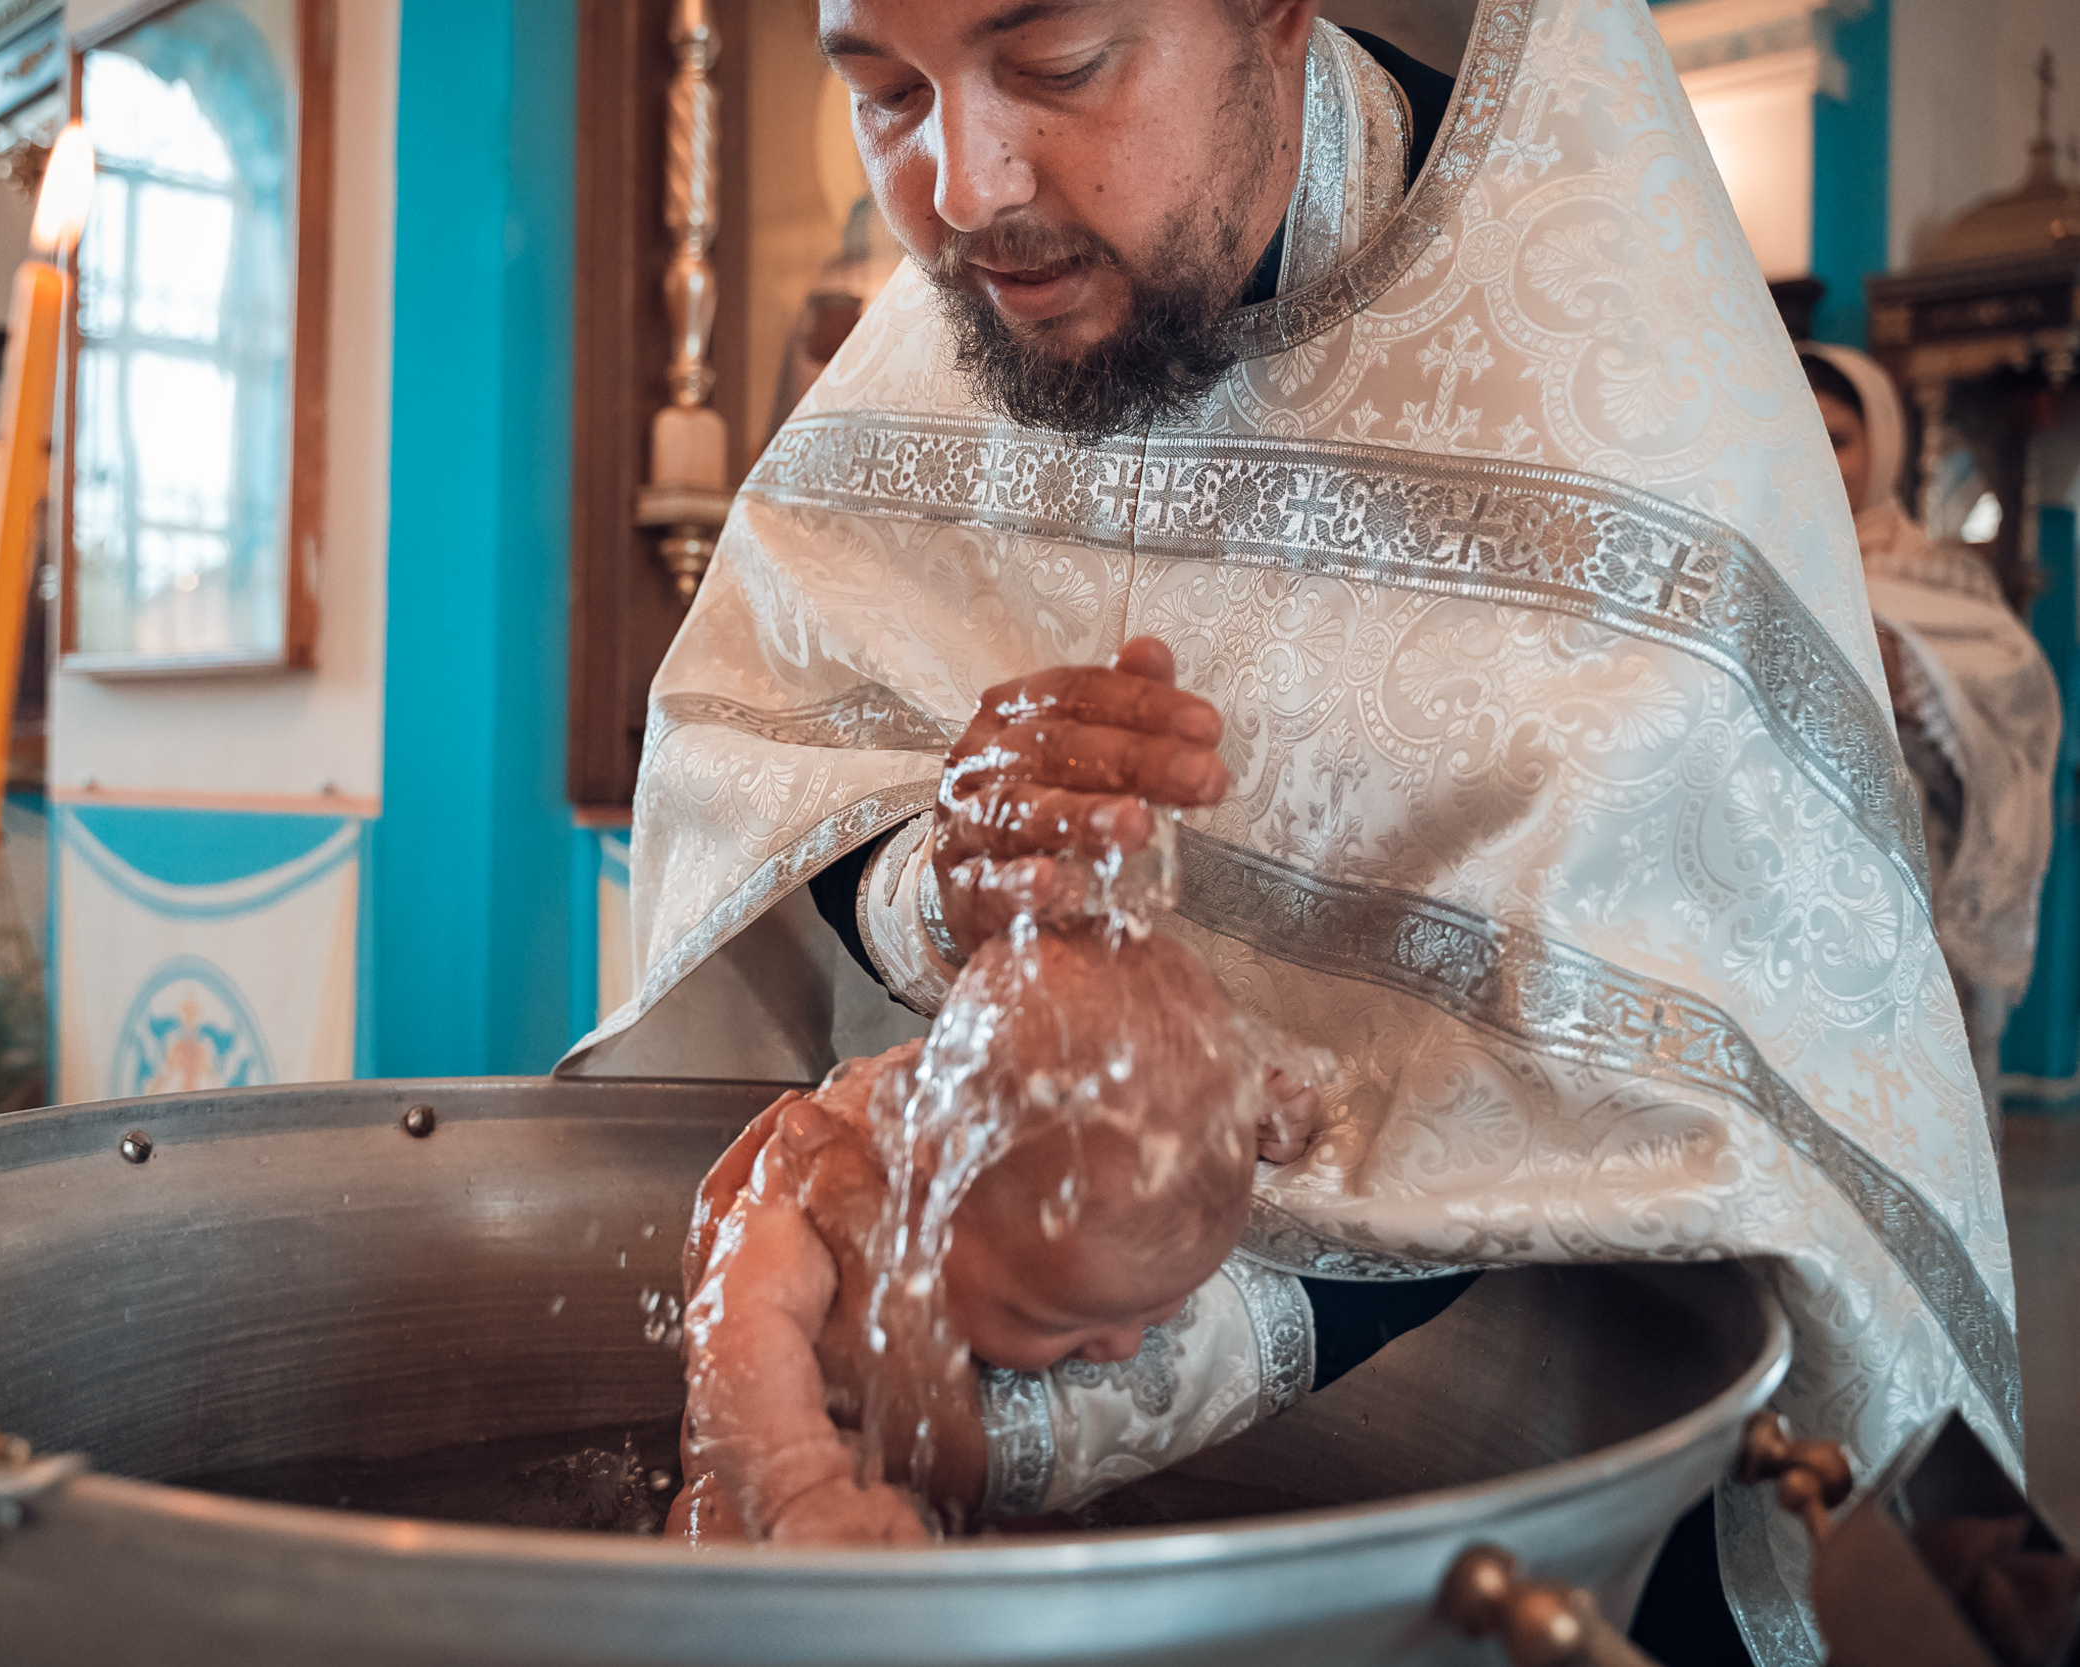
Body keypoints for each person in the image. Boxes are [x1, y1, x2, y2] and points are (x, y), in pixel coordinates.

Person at [568, 0, 2010, 1657]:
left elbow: (1640, 1108)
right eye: (885, 90)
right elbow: (772, 740)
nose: (962, 186)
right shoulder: (951, 332)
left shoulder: (1608, 405)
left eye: (1052, 64)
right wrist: (931, 872)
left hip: (1499, 1481)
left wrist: (1083, 1384)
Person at [671, 918, 1317, 1545]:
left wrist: (1240, 1109)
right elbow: (735, 1329)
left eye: (1156, 1312)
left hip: (938, 1451)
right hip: (773, 1448)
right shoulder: (815, 1172)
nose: (1120, 1348)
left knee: (1038, 1537)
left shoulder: (1052, 1133)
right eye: (1062, 1321)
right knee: (727, 1543)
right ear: (935, 1188)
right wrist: (804, 1492)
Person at [1802, 343, 2059, 1142]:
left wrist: (1908, 672)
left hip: (1916, 897)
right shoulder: (1757, 566)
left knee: (1915, 1122)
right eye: (1794, 427)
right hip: (1783, 905)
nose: (1815, 453)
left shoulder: (1940, 577)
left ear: (1884, 446)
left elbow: (2018, 715)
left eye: (1839, 437)